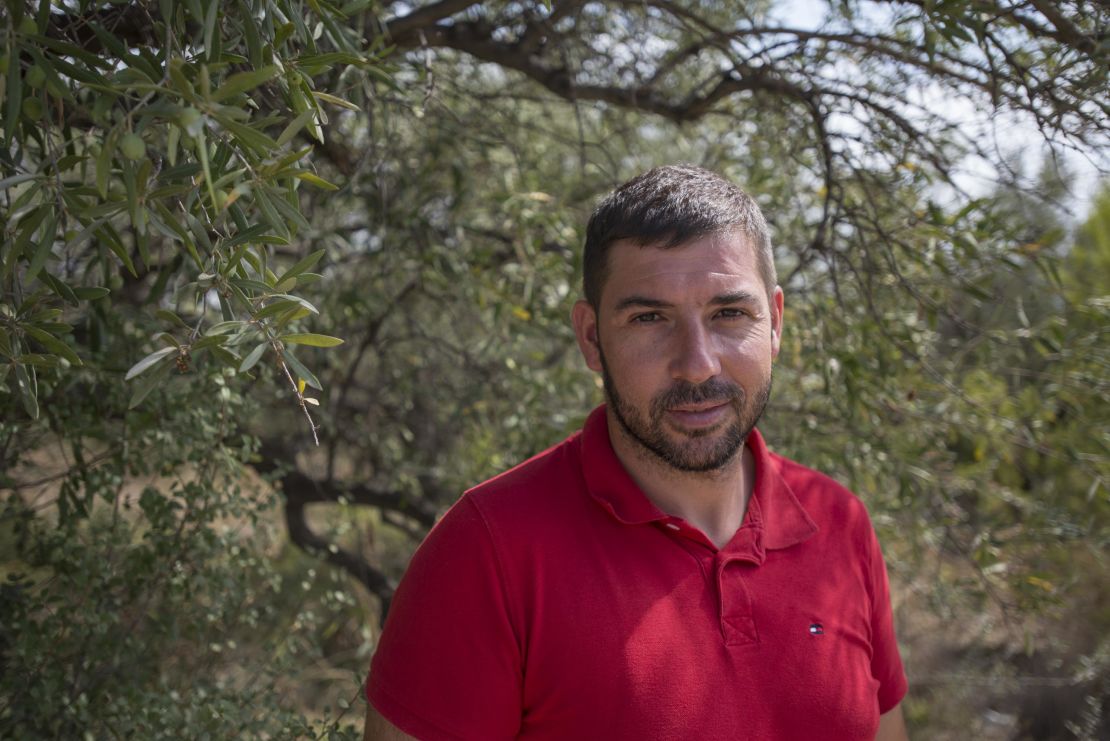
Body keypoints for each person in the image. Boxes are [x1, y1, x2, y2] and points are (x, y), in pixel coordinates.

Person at [363, 165, 909, 740]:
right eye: (649, 318)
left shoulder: (841, 523)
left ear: (773, 323)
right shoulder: (487, 550)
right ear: (592, 338)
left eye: (729, 314)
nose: (698, 363)